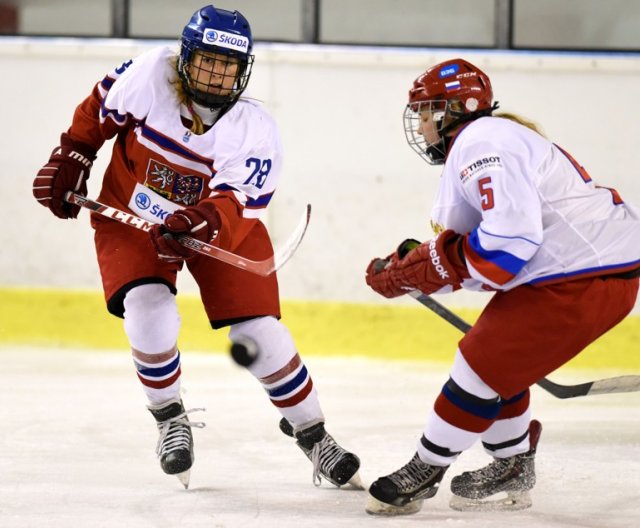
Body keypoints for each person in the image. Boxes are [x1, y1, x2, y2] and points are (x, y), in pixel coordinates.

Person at [32, 4, 361, 491]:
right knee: (149, 307)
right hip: (132, 213)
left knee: (261, 338)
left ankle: (313, 435)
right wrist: (73, 153)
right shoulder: (151, 75)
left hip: (219, 232)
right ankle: (169, 418)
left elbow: (235, 203)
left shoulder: (255, 129)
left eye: (229, 66)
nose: (218, 74)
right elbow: (97, 111)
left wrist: (201, 220)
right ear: (186, 58)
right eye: (208, 60)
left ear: (243, 69)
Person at [364, 57, 640, 515]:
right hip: (578, 270)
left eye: (429, 111)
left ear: (456, 109)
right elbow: (484, 255)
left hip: (586, 275)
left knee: (478, 365)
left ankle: (425, 470)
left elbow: (508, 244)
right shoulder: (487, 142)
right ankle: (512, 464)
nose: (423, 124)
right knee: (496, 362)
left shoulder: (481, 143)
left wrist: (423, 269)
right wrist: (413, 265)